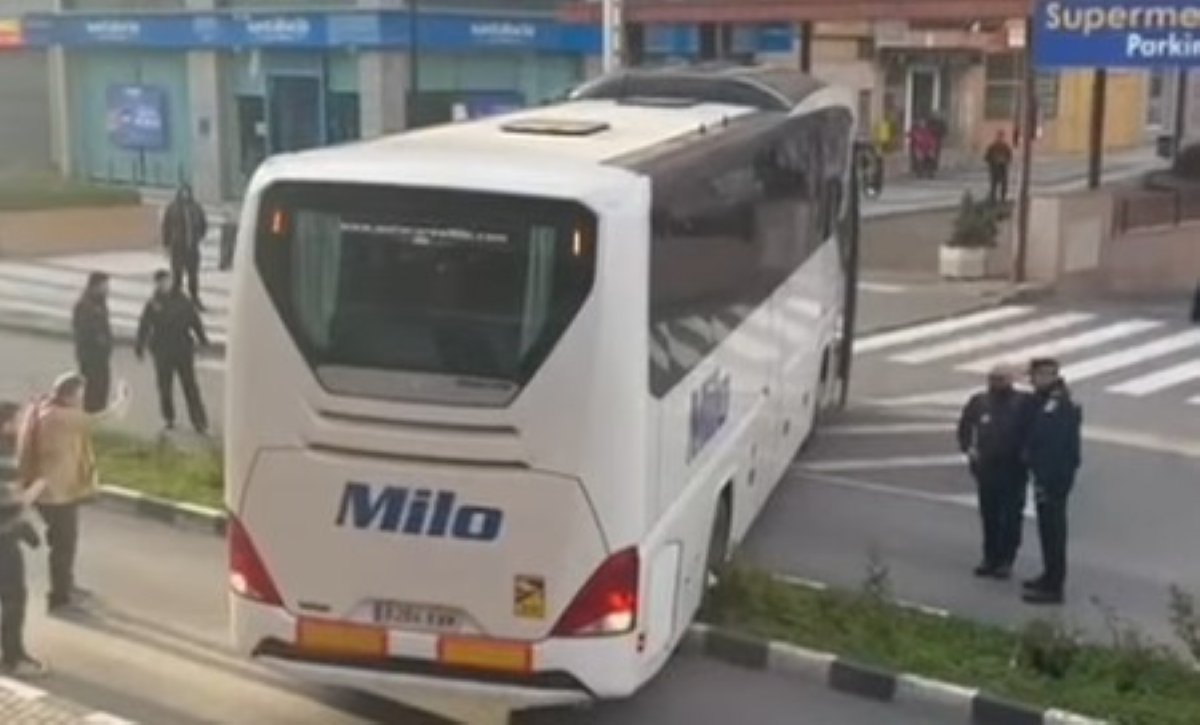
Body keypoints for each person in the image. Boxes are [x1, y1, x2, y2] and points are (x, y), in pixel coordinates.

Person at [16, 373, 126, 615]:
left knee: (62, 542)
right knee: (64, 545)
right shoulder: (64, 417)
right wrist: (122, 398)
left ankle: (66, 585)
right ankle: (59, 598)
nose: (82, 399)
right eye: (80, 394)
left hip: (46, 490)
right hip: (56, 493)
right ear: (70, 394)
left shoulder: (45, 409)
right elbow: (107, 419)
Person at [957, 364, 1031, 580]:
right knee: (989, 515)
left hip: (1013, 468)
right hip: (987, 468)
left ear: (1011, 380)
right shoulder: (979, 401)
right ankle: (989, 557)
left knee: (1010, 516)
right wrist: (968, 448)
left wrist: (1026, 456)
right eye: (992, 378)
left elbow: (1033, 432)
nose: (996, 382)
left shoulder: (1022, 403)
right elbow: (965, 425)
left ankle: (1006, 559)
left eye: (1001, 378)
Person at [1022, 358, 1083, 605]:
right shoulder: (1047, 401)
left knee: (1054, 532)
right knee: (1047, 531)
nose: (1033, 381)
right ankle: (1048, 576)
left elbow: (1054, 447)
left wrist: (1045, 480)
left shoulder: (1057, 405)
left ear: (1049, 375)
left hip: (1054, 477)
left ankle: (1054, 587)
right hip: (1048, 475)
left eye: (1037, 376)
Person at [0, 402, 47, 678]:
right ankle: (13, 658)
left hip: (7, 533)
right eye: (17, 421)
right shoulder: (3, 455)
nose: (21, 426)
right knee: (15, 597)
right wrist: (36, 489)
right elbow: (7, 504)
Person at [136, 270, 210, 434]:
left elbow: (194, 320)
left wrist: (203, 339)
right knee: (165, 386)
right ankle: (168, 417)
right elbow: (144, 326)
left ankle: (199, 420)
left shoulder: (183, 300)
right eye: (161, 282)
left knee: (190, 385)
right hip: (162, 349)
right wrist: (139, 347)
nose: (165, 285)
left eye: (167, 281)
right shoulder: (153, 303)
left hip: (182, 348)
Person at [162, 183, 208, 310]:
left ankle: (194, 299)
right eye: (183, 192)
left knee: (193, 275)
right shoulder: (172, 208)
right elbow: (166, 226)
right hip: (177, 247)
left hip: (192, 247)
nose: (185, 194)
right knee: (177, 275)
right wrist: (166, 244)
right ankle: (175, 300)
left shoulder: (196, 207)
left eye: (187, 192)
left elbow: (203, 223)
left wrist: (199, 236)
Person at [72, 272, 113, 414]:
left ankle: (97, 415)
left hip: (101, 356)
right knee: (92, 390)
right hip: (91, 356)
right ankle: (89, 417)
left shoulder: (100, 303)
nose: (108, 289)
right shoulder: (85, 305)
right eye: (105, 286)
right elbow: (83, 330)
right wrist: (100, 341)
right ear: (95, 286)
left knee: (102, 388)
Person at [985, 131, 1014, 205]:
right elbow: (987, 157)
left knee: (1003, 185)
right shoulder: (992, 147)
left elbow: (1009, 157)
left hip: (1003, 169)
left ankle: (1002, 199)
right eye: (999, 136)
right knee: (994, 185)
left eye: (1001, 137)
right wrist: (994, 161)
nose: (1000, 138)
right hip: (994, 168)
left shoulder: (1005, 147)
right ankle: (993, 200)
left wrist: (1004, 161)